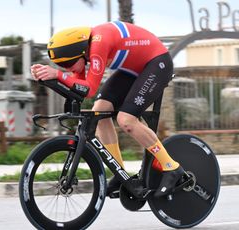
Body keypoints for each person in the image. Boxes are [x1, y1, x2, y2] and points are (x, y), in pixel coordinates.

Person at [31, 21, 185, 197]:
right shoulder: (84, 52)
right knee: (99, 112)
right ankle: (121, 175)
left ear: (79, 53)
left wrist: (57, 75)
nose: (67, 69)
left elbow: (89, 89)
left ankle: (171, 167)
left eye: (67, 65)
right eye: (62, 66)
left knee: (126, 120)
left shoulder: (98, 44)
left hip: (157, 63)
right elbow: (78, 87)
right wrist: (48, 78)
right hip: (134, 69)